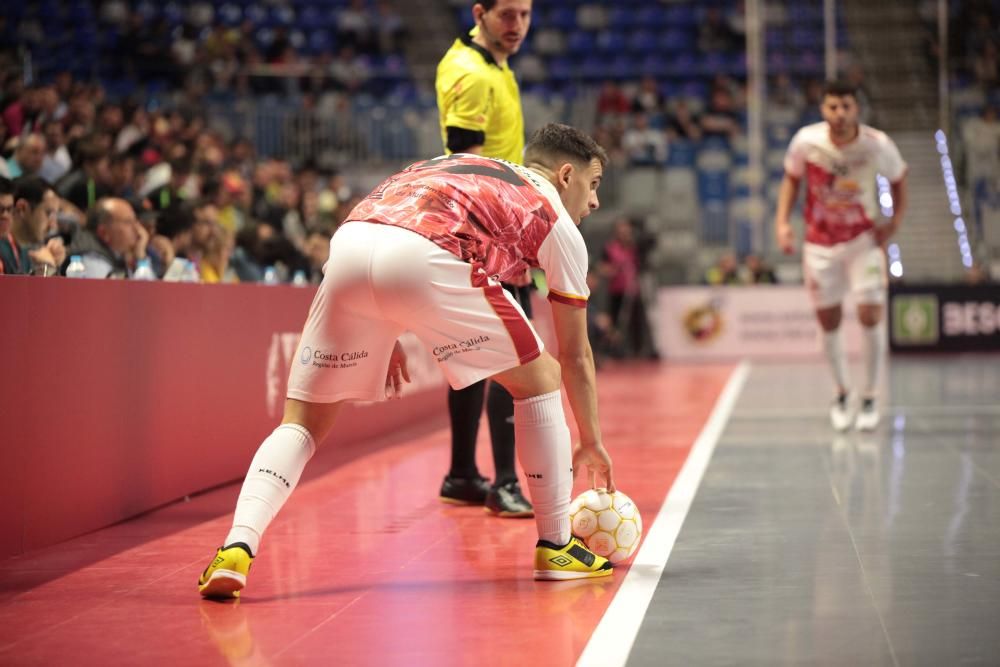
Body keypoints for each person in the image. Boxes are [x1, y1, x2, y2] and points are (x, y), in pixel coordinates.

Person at [198, 124, 616, 598]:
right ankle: (557, 545)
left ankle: (235, 547)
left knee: (303, 422)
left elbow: (389, 227)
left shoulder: (453, 165)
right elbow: (577, 354)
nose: (595, 201)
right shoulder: (554, 217)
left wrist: (384, 317)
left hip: (351, 245)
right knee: (542, 378)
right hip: (423, 254)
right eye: (594, 184)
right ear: (566, 175)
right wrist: (591, 439)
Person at [433, 0, 534, 517]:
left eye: (524, 14)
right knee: (513, 358)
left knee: (472, 356)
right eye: (507, 15)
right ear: (480, 12)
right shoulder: (470, 73)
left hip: (498, 228)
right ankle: (507, 483)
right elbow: (465, 167)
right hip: (486, 232)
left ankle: (462, 475)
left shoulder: (497, 64)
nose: (516, 25)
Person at [774, 80, 908, 432]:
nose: (840, 113)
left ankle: (870, 396)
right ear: (823, 110)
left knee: (870, 313)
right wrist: (782, 223)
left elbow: (899, 179)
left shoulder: (877, 145)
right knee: (829, 320)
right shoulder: (806, 141)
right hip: (819, 244)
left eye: (846, 106)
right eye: (833, 107)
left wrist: (894, 221)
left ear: (856, 108)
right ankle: (842, 393)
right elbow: (791, 180)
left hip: (863, 241)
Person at [0, 176, 64, 277]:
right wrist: (48, 269)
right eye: (48, 213)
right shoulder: (4, 248)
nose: (53, 225)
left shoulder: (31, 251)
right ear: (22, 208)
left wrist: (49, 269)